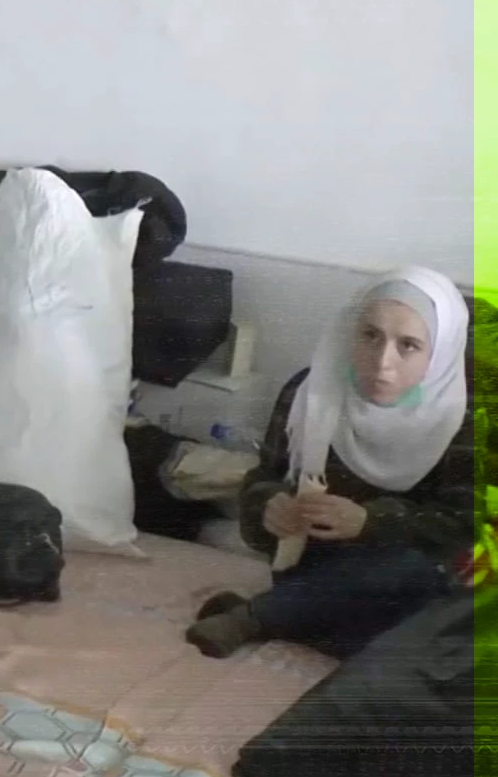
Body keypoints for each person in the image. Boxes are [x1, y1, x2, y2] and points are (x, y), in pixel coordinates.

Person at [186, 267, 474, 660]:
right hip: (316, 563)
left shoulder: (466, 420)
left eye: (408, 345)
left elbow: (468, 529)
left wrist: (370, 522)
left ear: (440, 351)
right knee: (390, 648)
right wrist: (269, 507)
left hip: (408, 578)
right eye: (370, 335)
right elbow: (264, 478)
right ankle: (298, 615)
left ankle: (258, 616)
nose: (382, 362)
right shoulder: (312, 392)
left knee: (417, 576)